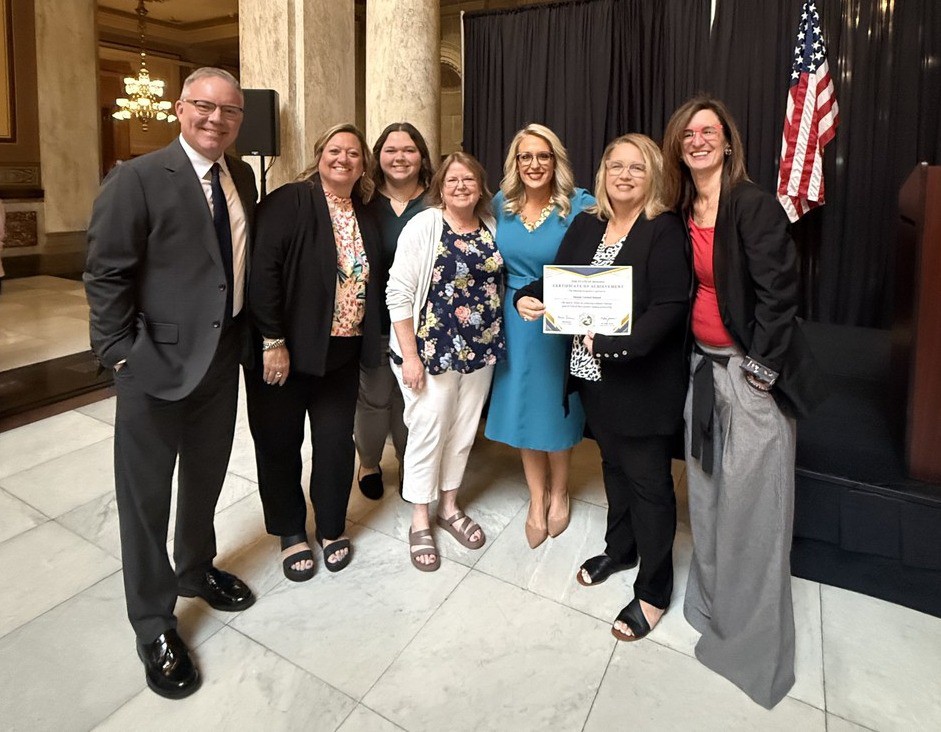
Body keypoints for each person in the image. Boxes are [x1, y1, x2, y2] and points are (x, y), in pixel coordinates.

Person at [84, 67, 257, 699]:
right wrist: (120, 355)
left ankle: (195, 568)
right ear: (179, 109)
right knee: (146, 499)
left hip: (221, 361)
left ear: (240, 119)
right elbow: (105, 274)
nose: (217, 119)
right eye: (204, 107)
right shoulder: (135, 179)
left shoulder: (241, 177)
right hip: (152, 366)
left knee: (206, 476)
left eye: (230, 111)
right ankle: (153, 622)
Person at [662, 96, 827, 708]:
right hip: (702, 372)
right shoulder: (684, 207)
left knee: (754, 512)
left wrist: (760, 366)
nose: (699, 140)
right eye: (689, 133)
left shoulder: (751, 204)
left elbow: (780, 294)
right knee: (707, 499)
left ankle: (753, 645)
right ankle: (711, 608)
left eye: (710, 131)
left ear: (728, 142)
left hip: (746, 375)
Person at [516, 134, 689, 642]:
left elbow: (670, 307)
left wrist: (618, 343)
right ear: (603, 172)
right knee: (612, 465)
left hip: (641, 378)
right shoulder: (588, 223)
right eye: (616, 165)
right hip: (593, 377)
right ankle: (622, 547)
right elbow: (557, 281)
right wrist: (528, 296)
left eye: (637, 167)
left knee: (650, 484)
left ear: (653, 174)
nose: (625, 175)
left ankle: (654, 590)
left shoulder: (663, 229)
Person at [246, 123, 383, 582]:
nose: (343, 158)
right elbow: (263, 271)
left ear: (363, 164)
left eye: (353, 153)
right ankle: (290, 532)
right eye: (334, 150)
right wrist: (272, 340)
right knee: (280, 442)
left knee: (334, 443)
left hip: (341, 354)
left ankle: (329, 527)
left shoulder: (365, 209)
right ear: (320, 154)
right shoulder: (291, 200)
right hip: (282, 353)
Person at [387, 151, 504, 571]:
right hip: (431, 349)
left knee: (464, 429)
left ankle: (449, 506)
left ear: (480, 185)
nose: (460, 186)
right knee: (427, 431)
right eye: (452, 180)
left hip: (480, 348)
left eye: (468, 179)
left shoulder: (490, 224)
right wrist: (410, 357)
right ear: (440, 185)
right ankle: (420, 515)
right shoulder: (425, 225)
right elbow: (397, 294)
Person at [484, 124, 594, 548]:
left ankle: (561, 490)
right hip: (514, 317)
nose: (534, 164)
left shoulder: (579, 204)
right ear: (515, 163)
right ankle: (536, 497)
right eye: (525, 156)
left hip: (559, 319)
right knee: (523, 407)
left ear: (556, 162)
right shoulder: (500, 204)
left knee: (556, 406)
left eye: (543, 156)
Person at [354, 122, 433, 500]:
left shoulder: (437, 201)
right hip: (375, 321)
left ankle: (408, 463)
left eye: (409, 149)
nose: (400, 157)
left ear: (422, 156)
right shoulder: (363, 201)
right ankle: (368, 462)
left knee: (411, 399)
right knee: (375, 396)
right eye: (391, 150)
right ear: (377, 156)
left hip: (427, 323)